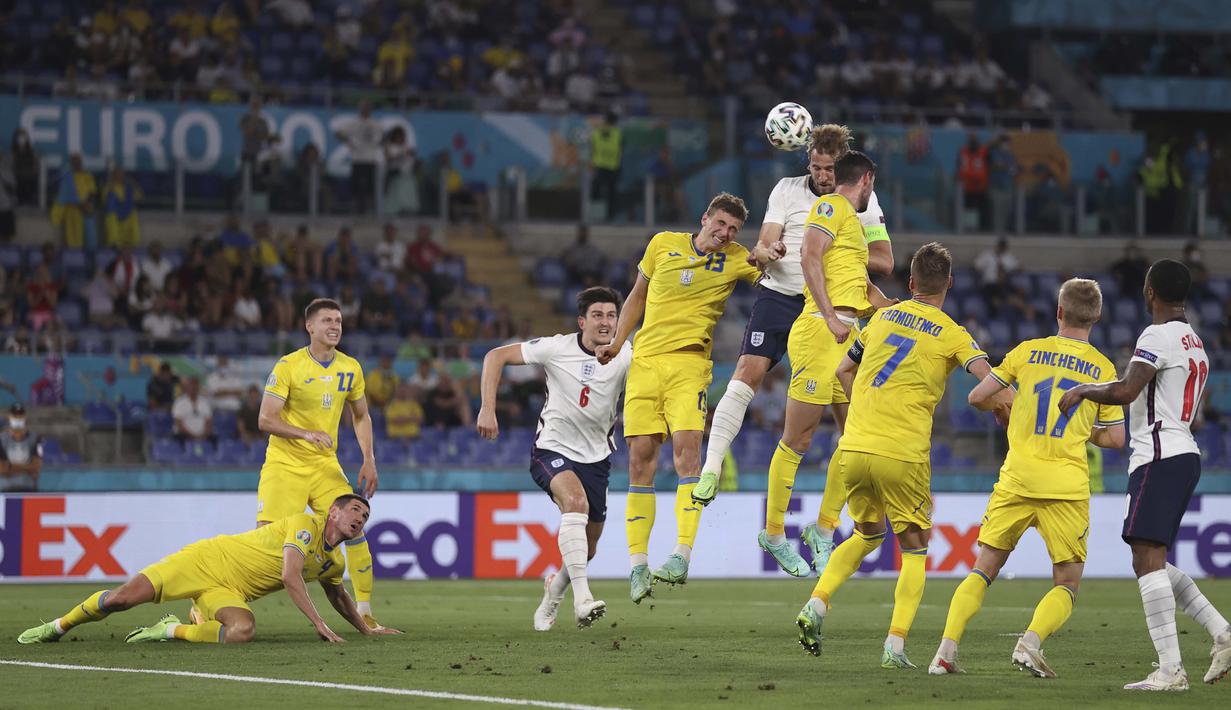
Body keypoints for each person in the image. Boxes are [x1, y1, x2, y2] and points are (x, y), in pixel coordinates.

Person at [794, 242, 1003, 669]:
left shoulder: (881, 318)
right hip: (902, 452)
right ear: (948, 283)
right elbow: (988, 378)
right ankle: (895, 645)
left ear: (910, 283)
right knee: (914, 549)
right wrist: (1007, 407)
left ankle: (816, 603)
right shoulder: (952, 332)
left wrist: (863, 413)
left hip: (854, 446)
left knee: (866, 534)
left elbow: (842, 370)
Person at [929, 279, 1126, 677]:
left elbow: (976, 396)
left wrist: (1005, 410)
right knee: (1067, 583)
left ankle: (945, 652)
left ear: (1059, 312)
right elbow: (1117, 438)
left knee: (983, 570)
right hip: (1066, 487)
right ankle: (1030, 642)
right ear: (1098, 318)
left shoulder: (1027, 351)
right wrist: (1082, 429)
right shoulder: (1103, 369)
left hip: (1017, 477)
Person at [595, 192, 784, 601]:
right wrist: (617, 341)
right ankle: (638, 565)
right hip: (644, 364)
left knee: (687, 453)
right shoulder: (663, 243)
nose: (726, 233)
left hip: (689, 366)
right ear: (705, 219)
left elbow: (771, 272)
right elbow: (637, 298)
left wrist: (769, 252)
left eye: (733, 229)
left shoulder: (737, 257)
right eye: (721, 225)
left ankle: (681, 554)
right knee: (640, 460)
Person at [1057, 259, 1231, 690]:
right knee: (1149, 558)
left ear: (1150, 292)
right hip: (1181, 453)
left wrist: (1080, 390)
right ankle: (1222, 633)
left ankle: (1171, 669)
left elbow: (1126, 391)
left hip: (1159, 454)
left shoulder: (1157, 335)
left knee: (1145, 558)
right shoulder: (1195, 341)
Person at [746, 151, 894, 577]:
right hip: (820, 331)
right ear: (866, 179)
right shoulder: (830, 206)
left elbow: (861, 284)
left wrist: (892, 311)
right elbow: (809, 256)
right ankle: (774, 533)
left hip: (847, 335)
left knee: (855, 438)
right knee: (799, 439)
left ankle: (823, 529)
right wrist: (830, 315)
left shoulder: (847, 219)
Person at [18, 495, 401, 645]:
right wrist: (319, 625)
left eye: (366, 517)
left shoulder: (334, 559)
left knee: (242, 632)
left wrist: (365, 627)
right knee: (121, 600)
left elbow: (337, 593)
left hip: (230, 591)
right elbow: (289, 576)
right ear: (334, 511)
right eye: (355, 511)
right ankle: (58, 627)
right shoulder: (306, 523)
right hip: (205, 561)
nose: (360, 519)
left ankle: (168, 629)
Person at [478, 286, 631, 630]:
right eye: (597, 315)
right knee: (574, 502)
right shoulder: (556, 347)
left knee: (588, 549)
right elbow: (495, 357)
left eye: (611, 315)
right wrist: (488, 408)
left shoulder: (627, 354)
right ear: (582, 322)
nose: (606, 322)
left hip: (598, 458)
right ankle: (583, 600)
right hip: (552, 448)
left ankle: (554, 592)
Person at [257, 298, 385, 630]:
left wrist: (369, 459)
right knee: (265, 548)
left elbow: (361, 416)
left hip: (325, 465)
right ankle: (217, 604)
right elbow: (266, 419)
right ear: (309, 326)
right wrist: (305, 434)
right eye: (327, 320)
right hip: (285, 465)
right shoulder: (288, 366)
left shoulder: (350, 367)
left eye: (339, 321)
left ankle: (366, 612)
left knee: (354, 524)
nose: (334, 326)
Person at [334, 101, 383, 214]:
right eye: (363, 107)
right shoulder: (353, 123)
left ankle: (371, 210)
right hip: (357, 159)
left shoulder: (376, 124)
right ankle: (357, 210)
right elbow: (338, 133)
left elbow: (381, 138)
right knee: (356, 187)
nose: (365, 110)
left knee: (370, 188)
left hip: (371, 159)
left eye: (367, 107)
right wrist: (348, 141)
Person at [50, 154, 97, 249]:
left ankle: (91, 260)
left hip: (87, 210)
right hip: (72, 210)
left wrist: (86, 204)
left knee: (91, 238)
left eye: (78, 161)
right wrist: (78, 205)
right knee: (74, 242)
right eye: (74, 161)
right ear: (71, 164)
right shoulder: (67, 178)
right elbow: (63, 196)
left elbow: (93, 192)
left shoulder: (87, 176)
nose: (77, 163)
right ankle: (75, 260)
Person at [0, 403, 43, 492]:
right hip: (6, 490)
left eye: (20, 415)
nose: (18, 418)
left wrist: (10, 467)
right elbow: (2, 469)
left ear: (24, 417)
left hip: (29, 488)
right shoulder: (1, 439)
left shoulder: (35, 438)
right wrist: (28, 468)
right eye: (15, 415)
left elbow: (36, 469)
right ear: (9, 417)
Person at [590, 111, 622, 219]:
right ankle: (600, 215)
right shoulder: (616, 133)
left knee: (603, 192)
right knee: (607, 193)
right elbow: (620, 150)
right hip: (609, 166)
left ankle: (605, 215)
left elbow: (593, 148)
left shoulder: (598, 132)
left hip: (603, 166)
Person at [103, 166, 143, 247]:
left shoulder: (129, 188)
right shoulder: (108, 187)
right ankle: (114, 243)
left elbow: (140, 198)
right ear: (113, 176)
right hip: (114, 218)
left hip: (128, 219)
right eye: (117, 174)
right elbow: (105, 203)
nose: (120, 176)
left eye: (122, 174)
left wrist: (135, 184)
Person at [957, 132, 989, 231]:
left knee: (980, 209)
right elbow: (959, 167)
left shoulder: (983, 152)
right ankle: (969, 228)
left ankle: (980, 228)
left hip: (980, 187)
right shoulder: (963, 152)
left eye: (974, 139)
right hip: (967, 187)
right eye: (971, 139)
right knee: (968, 209)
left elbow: (988, 167)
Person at [172, 377, 213, 442]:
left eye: (196, 385)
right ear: (187, 387)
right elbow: (179, 424)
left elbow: (209, 422)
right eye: (192, 385)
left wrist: (203, 435)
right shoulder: (179, 403)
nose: (194, 387)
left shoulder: (205, 402)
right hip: (185, 435)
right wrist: (193, 436)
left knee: (214, 439)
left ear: (199, 387)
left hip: (202, 435)